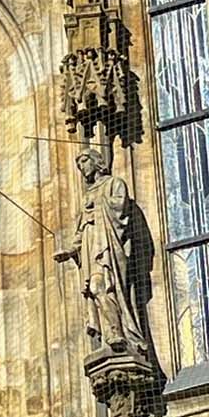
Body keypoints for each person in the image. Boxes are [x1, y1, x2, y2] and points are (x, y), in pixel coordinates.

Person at [56, 146, 150, 360]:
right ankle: (112, 333)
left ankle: (122, 333)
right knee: (96, 289)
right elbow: (80, 231)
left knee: (110, 286)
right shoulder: (87, 196)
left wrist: (97, 206)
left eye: (84, 161)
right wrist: (69, 251)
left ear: (96, 161)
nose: (81, 167)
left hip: (111, 246)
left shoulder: (114, 183)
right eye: (78, 164)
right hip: (91, 248)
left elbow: (121, 209)